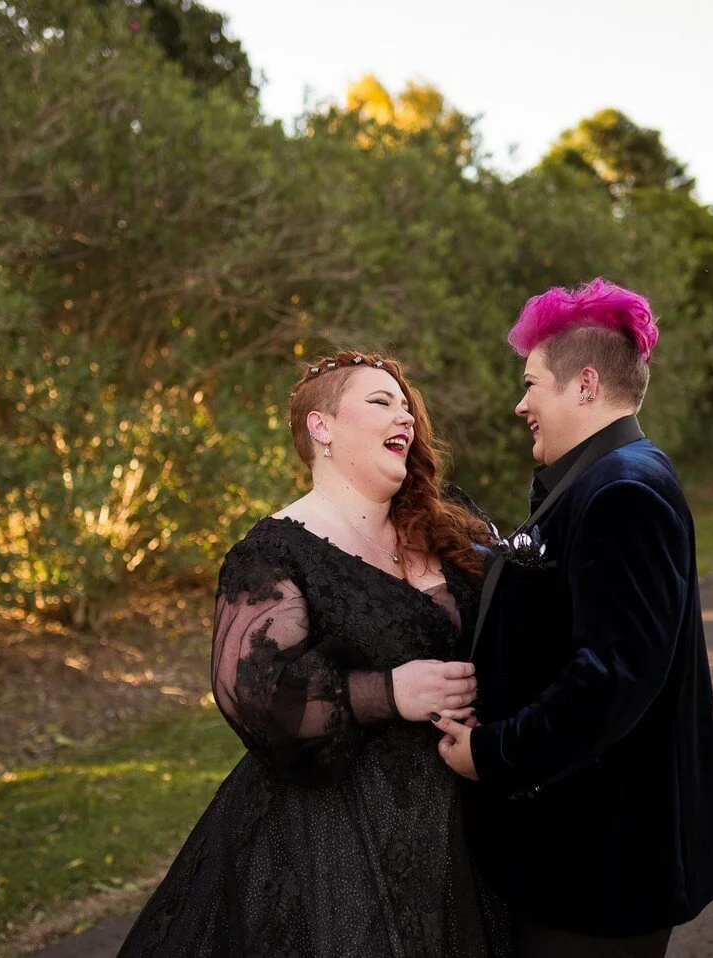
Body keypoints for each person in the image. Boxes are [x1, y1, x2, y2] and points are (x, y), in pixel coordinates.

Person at [117, 351, 509, 957]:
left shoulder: (445, 526)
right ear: (321, 428)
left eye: (406, 405)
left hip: (463, 815)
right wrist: (389, 692)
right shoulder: (274, 552)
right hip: (333, 839)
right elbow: (253, 694)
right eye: (380, 401)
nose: (403, 413)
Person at [432, 279, 713, 958]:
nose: (520, 405)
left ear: (583, 385)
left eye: (531, 385)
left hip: (603, 861)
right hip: (578, 851)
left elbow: (613, 678)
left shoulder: (624, 490)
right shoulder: (600, 476)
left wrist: (492, 754)